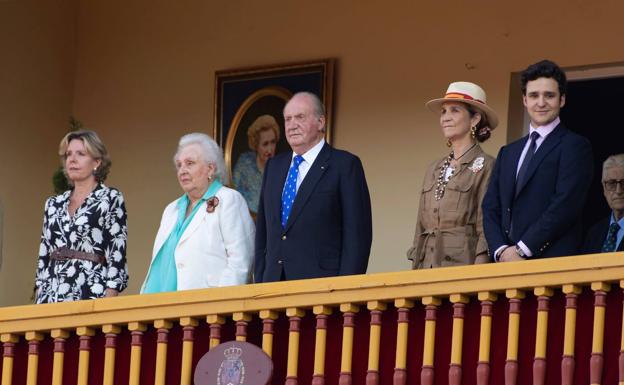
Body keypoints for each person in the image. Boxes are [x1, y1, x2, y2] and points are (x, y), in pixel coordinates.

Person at [254, 92, 372, 282]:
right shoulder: (273, 167)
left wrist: (345, 291)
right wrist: (259, 283)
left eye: (300, 117)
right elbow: (263, 234)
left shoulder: (344, 165)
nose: (292, 125)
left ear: (321, 122)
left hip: (322, 289)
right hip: (272, 288)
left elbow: (357, 237)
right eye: (287, 119)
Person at [482, 59, 593, 261]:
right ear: (524, 100)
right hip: (504, 265)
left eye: (549, 95)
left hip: (552, 264)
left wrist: (522, 249)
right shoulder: (508, 152)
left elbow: (565, 205)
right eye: (534, 95)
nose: (541, 103)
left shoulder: (575, 145)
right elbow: (490, 207)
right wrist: (501, 250)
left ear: (562, 100)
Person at [141, 133, 254, 293]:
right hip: (162, 307)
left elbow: (240, 262)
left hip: (208, 310)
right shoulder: (171, 210)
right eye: (179, 165)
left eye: (190, 163)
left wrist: (223, 304)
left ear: (210, 168)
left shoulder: (229, 200)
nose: (182, 171)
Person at [407, 82, 498, 268]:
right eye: (443, 112)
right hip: (426, 266)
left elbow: (486, 226)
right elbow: (420, 227)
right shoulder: (434, 168)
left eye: (455, 110)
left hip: (461, 267)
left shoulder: (488, 165)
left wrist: (479, 273)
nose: (445, 118)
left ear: (474, 119)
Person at [35, 130, 129, 303]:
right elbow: (44, 254)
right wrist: (40, 292)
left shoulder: (110, 198)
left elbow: (116, 253)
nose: (72, 159)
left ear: (97, 162)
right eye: (69, 154)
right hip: (51, 294)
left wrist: (109, 300)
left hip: (91, 291)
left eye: (81, 154)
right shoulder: (53, 204)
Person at [232, 115, 279, 213]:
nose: (270, 149)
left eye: (273, 142)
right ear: (256, 144)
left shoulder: (281, 169)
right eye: (265, 144)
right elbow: (233, 195)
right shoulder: (244, 164)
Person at [583, 154, 624, 253]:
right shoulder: (594, 233)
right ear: (604, 189)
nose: (618, 191)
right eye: (611, 183)